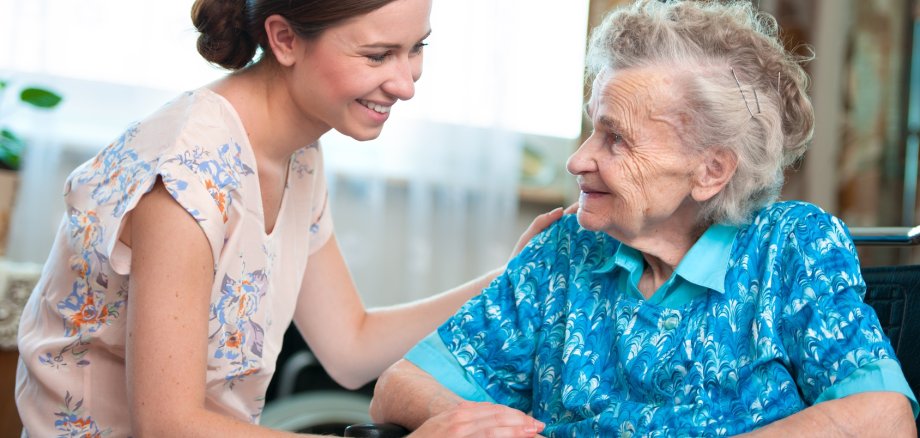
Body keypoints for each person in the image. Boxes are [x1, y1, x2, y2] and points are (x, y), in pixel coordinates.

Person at [370, 0, 920, 436]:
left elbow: (881, 417)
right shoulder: (567, 249)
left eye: (616, 138)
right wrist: (474, 426)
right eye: (592, 128)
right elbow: (399, 386)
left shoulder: (792, 247)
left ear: (710, 171)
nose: (578, 160)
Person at [14, 0, 554, 436]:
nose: (406, 83)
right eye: (377, 55)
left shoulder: (297, 153)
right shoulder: (186, 175)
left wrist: (512, 278)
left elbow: (351, 346)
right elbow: (168, 424)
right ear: (285, 39)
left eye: (417, 49)